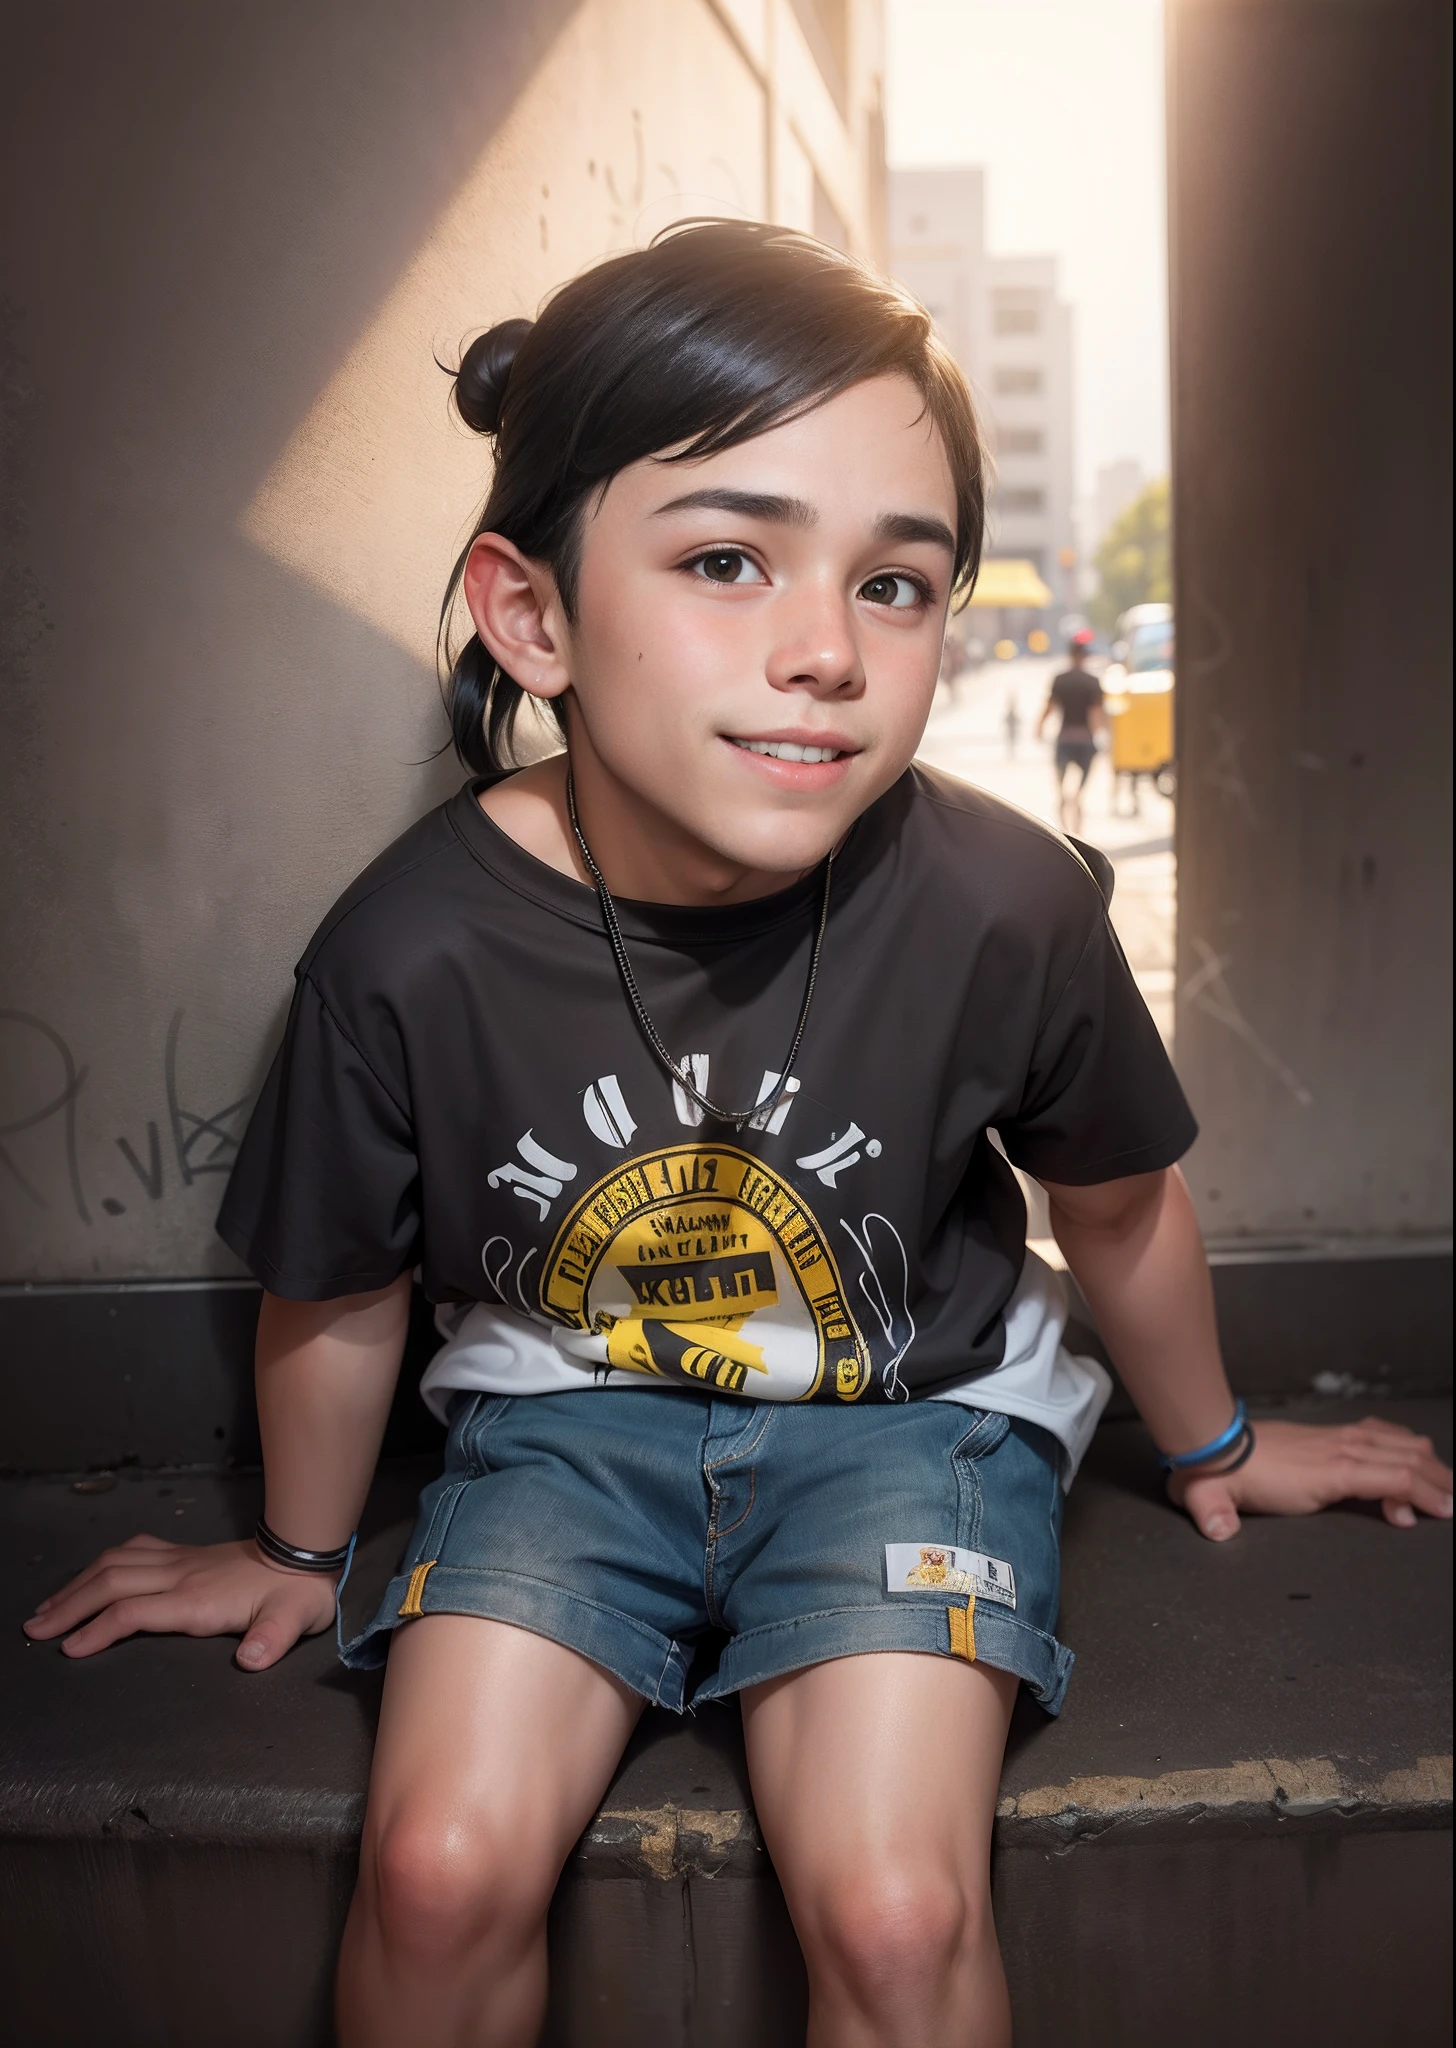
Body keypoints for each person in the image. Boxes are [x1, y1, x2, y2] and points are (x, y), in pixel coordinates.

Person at [25, 224, 1451, 2048]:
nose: (823, 652)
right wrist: (300, 1556)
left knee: (896, 1898)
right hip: (560, 1431)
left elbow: (1113, 1199)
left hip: (907, 1428)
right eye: (725, 557)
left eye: (896, 584)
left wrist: (1223, 1438)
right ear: (531, 613)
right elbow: (345, 1286)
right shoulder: (406, 947)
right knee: (442, 1864)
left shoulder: (1006, 902)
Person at [1037, 631, 1104, 832]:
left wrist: (1039, 728)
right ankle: (1078, 829)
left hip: (1064, 739)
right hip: (1085, 740)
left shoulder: (1060, 679)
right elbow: (1095, 716)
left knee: (1060, 789)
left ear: (1070, 654)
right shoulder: (1092, 682)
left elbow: (1050, 707)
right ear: (1085, 656)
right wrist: (1099, 736)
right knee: (1079, 793)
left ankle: (1064, 830)